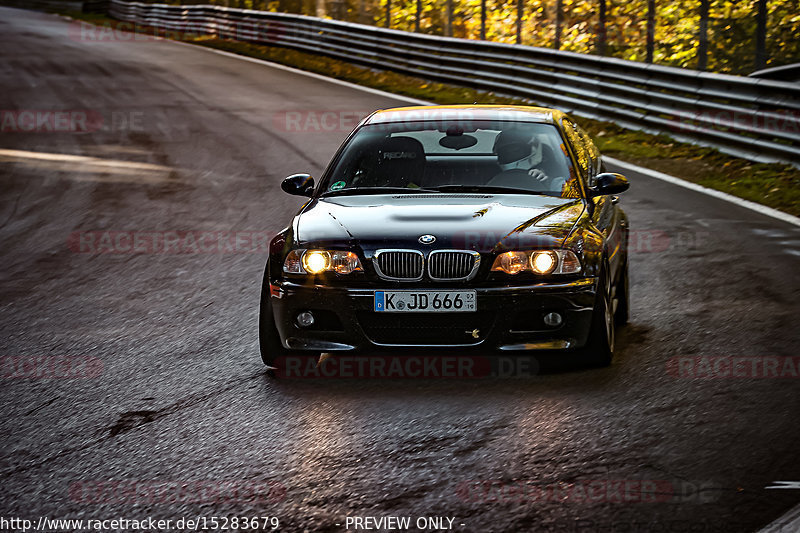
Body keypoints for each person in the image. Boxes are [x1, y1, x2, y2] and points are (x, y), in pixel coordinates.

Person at [489, 129, 567, 193]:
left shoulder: (555, 183)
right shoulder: (492, 182)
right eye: (504, 152)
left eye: (516, 150)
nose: (510, 154)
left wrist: (547, 182)